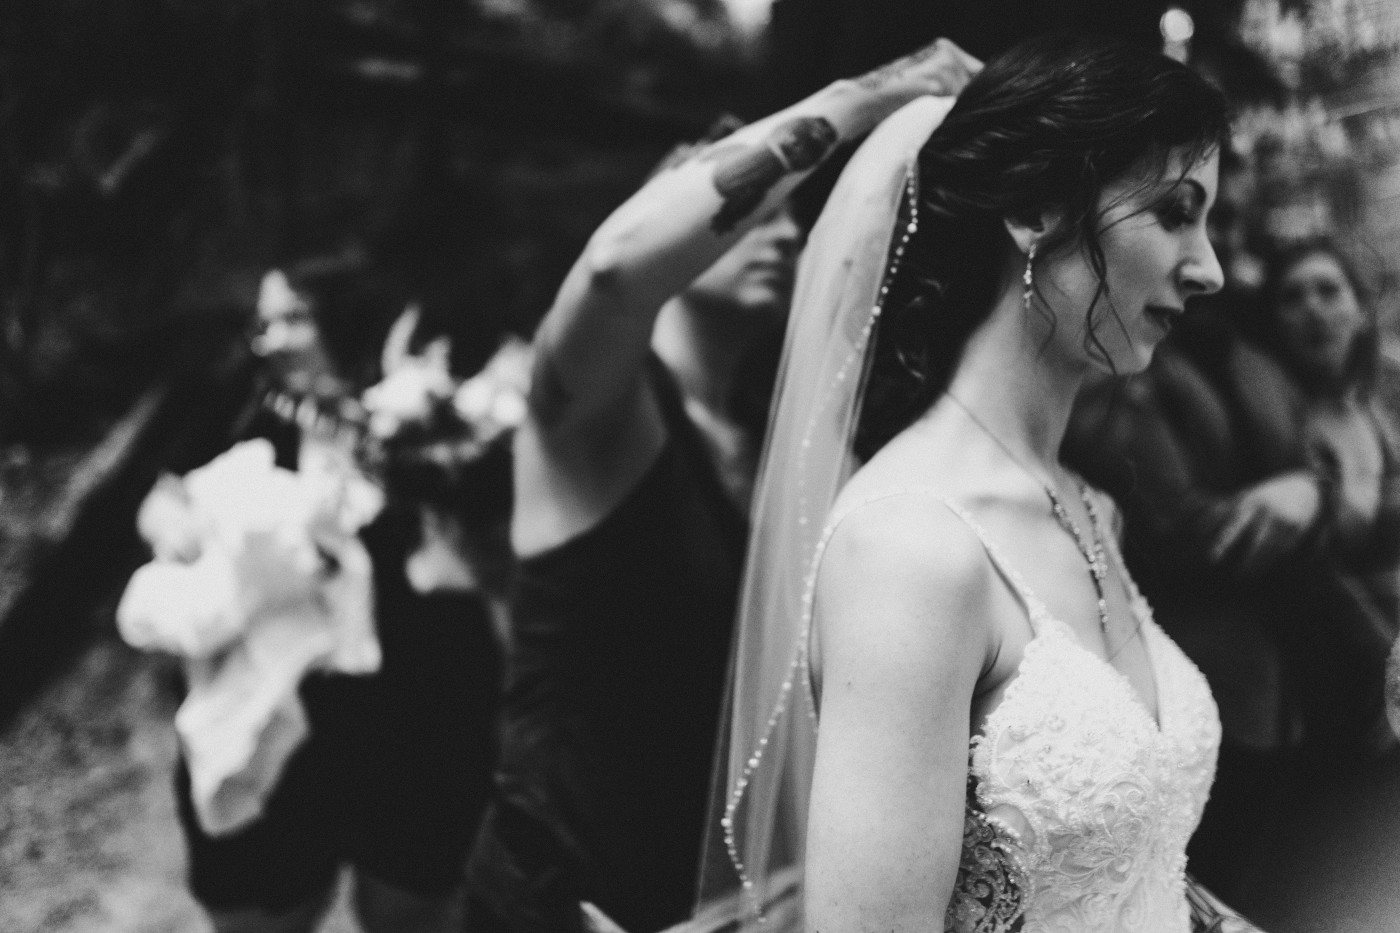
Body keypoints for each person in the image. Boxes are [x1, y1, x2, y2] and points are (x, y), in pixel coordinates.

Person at [699, 33, 1265, 932]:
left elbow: (1127, 872)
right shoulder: (912, 553)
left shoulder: (1088, 506)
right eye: (1172, 212)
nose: (1210, 268)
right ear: (1038, 208)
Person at [463, 39, 982, 933]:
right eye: (755, 212)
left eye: (792, 216)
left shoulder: (792, 454)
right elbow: (614, 269)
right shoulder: (589, 425)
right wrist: (876, 92)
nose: (780, 233)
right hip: (557, 903)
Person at [159, 264, 505, 933]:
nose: (272, 340)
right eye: (262, 325)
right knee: (261, 906)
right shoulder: (243, 407)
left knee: (411, 906)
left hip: (415, 712)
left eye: (294, 318)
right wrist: (181, 530)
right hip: (287, 710)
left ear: (344, 321)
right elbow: (164, 493)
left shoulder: (419, 414)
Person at [1066, 235, 1400, 900]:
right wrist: (1318, 497)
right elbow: (1203, 531)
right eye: (1292, 296)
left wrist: (1315, 494)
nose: (1312, 311)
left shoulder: (1349, 390)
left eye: (1329, 291)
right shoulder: (1134, 381)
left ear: (1365, 307)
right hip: (1252, 684)